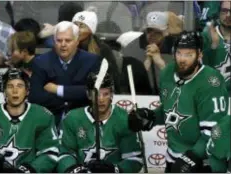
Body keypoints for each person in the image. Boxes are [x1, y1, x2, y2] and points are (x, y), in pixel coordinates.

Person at [128, 31, 229, 172]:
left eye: (189, 54)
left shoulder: (211, 82)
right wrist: (149, 116)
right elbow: (171, 111)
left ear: (199, 55)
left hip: (202, 161)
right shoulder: (167, 73)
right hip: (172, 157)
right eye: (179, 53)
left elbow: (214, 131)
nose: (182, 59)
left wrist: (192, 158)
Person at [0, 68, 59, 173]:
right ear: (4, 91)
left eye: (20, 86)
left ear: (27, 90)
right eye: (10, 86)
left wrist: (29, 169)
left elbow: (50, 153)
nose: (15, 91)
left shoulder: (43, 116)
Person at [57, 72, 143, 173]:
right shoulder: (72, 118)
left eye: (105, 94)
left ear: (111, 95)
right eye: (96, 94)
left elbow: (134, 159)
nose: (101, 99)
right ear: (89, 95)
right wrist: (74, 170)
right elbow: (64, 153)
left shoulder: (124, 119)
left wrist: (115, 170)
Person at [28, 21, 100, 127]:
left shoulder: (91, 61)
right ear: (54, 41)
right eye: (59, 40)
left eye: (68, 40)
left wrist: (58, 89)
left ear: (77, 41)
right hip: (49, 120)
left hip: (83, 120)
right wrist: (74, 96)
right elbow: (35, 97)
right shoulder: (40, 62)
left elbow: (93, 92)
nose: (63, 44)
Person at [72, 9, 121, 94]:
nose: (77, 29)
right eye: (75, 25)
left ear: (91, 30)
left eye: (82, 26)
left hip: (98, 96)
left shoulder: (103, 49)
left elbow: (113, 78)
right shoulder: (69, 47)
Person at [202, 1, 231, 94]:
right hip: (213, 94)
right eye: (224, 11)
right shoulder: (207, 35)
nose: (228, 15)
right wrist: (213, 46)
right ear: (218, 13)